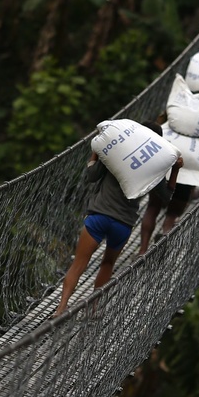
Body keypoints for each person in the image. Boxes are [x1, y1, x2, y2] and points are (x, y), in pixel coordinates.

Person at [53, 123, 183, 317]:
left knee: (79, 263)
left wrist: (96, 152)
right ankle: (94, 308)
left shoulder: (114, 153)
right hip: (123, 224)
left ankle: (62, 307)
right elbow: (165, 197)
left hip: (99, 216)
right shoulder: (153, 166)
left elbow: (91, 176)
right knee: (107, 264)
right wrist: (175, 170)